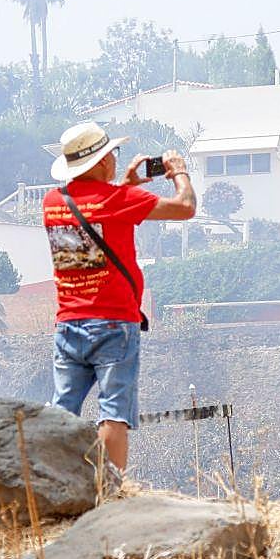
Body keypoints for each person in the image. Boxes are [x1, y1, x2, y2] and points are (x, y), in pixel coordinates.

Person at [40, 121, 195, 472]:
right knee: (114, 412)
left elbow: (96, 211)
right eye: (111, 153)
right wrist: (179, 173)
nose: (114, 158)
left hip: (68, 324)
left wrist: (124, 185)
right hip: (113, 324)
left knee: (62, 409)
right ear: (98, 163)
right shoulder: (119, 200)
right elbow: (185, 207)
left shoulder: (52, 203)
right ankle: (112, 494)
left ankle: (48, 481)